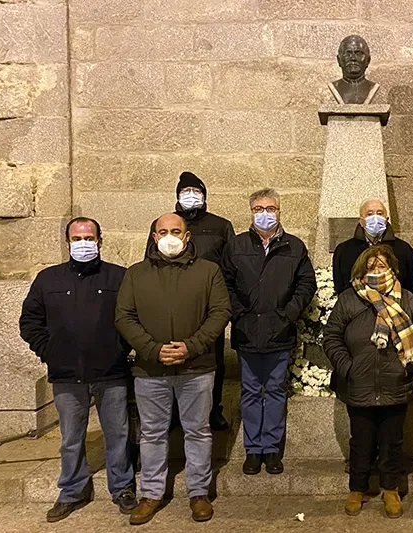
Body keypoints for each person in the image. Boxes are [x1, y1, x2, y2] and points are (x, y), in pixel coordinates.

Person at [116, 213, 231, 525]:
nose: (170, 237)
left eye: (176, 231)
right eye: (163, 231)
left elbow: (220, 312)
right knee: (152, 433)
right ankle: (151, 493)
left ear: (187, 236)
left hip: (197, 368)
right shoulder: (136, 274)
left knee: (198, 431)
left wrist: (191, 346)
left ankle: (199, 492)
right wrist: (153, 350)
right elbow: (124, 316)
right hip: (151, 370)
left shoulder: (208, 271)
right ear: (154, 237)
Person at [19, 217, 136, 522]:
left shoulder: (119, 277)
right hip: (67, 376)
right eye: (77, 238)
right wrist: (49, 352)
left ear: (100, 241)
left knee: (118, 434)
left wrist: (121, 349)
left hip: (111, 373)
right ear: (67, 242)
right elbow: (30, 321)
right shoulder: (48, 279)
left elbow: (133, 317)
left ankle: (122, 487)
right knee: (71, 438)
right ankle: (72, 490)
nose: (84, 244)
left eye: (89, 238)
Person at [324, 245, 413, 519]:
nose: (376, 270)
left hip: (395, 383)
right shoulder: (349, 299)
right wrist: (348, 368)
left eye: (382, 266)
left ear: (392, 269)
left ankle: (390, 489)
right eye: (371, 267)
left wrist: (410, 367)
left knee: (391, 441)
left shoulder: (405, 298)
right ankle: (357, 489)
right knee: (360, 441)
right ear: (361, 270)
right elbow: (332, 336)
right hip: (359, 383)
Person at [221, 188, 316, 476]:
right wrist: (240, 314)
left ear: (279, 211)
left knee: (275, 390)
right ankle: (253, 449)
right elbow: (224, 284)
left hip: (280, 332)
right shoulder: (236, 246)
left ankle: (272, 448)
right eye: (259, 209)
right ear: (251, 212)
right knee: (250, 391)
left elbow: (306, 284)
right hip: (247, 332)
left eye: (271, 208)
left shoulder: (294, 246)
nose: (265, 214)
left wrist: (288, 315)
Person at [144, 171, 235, 431]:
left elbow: (231, 266)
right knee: (174, 355)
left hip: (208, 306)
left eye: (196, 191)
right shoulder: (163, 224)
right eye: (186, 191)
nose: (191, 195)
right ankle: (174, 412)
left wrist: (224, 304)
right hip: (171, 304)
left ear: (204, 196)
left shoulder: (220, 225)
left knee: (213, 360)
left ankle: (213, 409)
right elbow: (149, 262)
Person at [332, 198, 413, 295]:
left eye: (380, 213)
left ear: (386, 219)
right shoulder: (344, 251)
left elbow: (410, 286)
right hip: (354, 303)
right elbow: (340, 287)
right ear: (361, 221)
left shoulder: (404, 250)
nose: (375, 218)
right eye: (369, 214)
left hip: (395, 302)